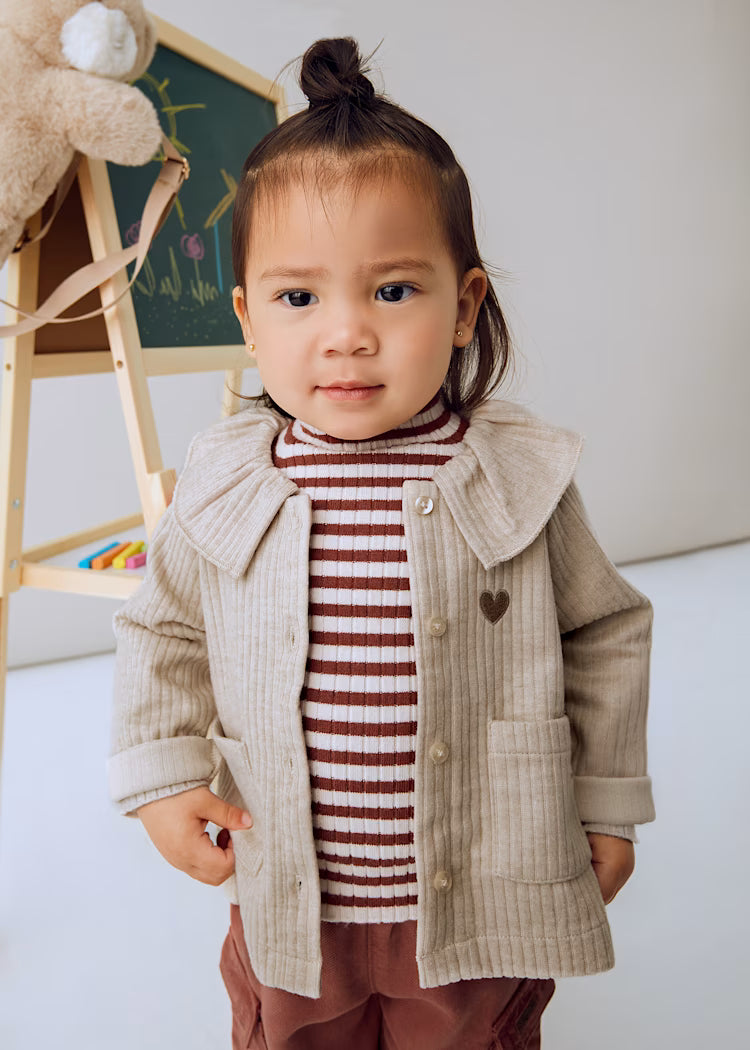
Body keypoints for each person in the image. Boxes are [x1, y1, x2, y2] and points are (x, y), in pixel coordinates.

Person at [108, 36, 655, 1050]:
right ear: (248, 319)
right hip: (292, 894)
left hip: (479, 885)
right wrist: (165, 774)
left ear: (465, 306)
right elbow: (164, 629)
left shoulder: (514, 476)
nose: (347, 333)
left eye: (394, 290)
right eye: (299, 297)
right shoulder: (228, 480)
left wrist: (607, 801)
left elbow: (606, 631)